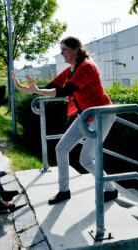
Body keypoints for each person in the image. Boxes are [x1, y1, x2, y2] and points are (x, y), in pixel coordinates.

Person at [12, 36, 118, 205]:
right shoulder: (71, 70)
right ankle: (64, 191)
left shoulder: (87, 67)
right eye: (60, 50)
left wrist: (37, 91)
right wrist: (30, 89)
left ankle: (111, 189)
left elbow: (64, 91)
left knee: (85, 159)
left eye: (64, 50)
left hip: (101, 116)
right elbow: (51, 87)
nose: (62, 53)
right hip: (85, 116)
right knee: (61, 148)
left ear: (76, 49)